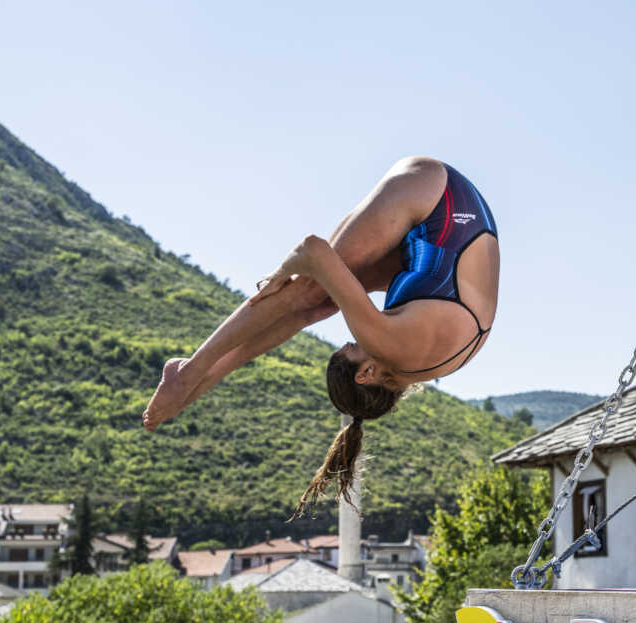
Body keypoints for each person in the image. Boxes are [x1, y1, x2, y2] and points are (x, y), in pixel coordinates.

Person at [141, 157, 500, 513]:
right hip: (440, 196)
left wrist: (210, 380)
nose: (355, 338)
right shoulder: (391, 347)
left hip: (455, 221)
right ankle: (188, 372)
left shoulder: (417, 364)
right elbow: (312, 250)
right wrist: (282, 272)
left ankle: (197, 379)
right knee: (311, 289)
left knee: (318, 300)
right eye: (352, 346)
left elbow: (309, 313)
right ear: (366, 374)